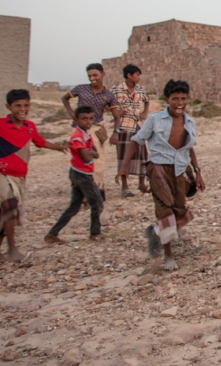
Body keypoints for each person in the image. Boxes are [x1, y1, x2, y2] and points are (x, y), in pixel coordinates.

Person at [119, 79, 205, 271]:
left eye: (183, 98)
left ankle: (156, 232)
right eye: (175, 98)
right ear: (167, 99)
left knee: (182, 212)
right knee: (165, 212)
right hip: (158, 169)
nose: (179, 103)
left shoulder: (190, 122)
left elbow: (190, 149)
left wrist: (198, 172)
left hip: (180, 170)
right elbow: (136, 141)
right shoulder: (155, 119)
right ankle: (168, 255)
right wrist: (124, 168)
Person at [0, 90, 66, 261]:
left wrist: (59, 147)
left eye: (26, 105)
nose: (22, 109)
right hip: (0, 174)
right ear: (8, 107)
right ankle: (12, 250)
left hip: (19, 177)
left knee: (5, 213)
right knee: (10, 207)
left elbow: (41, 142)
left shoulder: (30, 127)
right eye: (18, 105)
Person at [44, 107, 105, 243]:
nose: (88, 122)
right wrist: (92, 153)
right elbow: (87, 156)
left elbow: (94, 152)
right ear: (76, 120)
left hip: (80, 172)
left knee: (74, 206)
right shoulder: (77, 137)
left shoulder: (86, 134)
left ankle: (52, 234)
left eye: (90, 119)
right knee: (97, 203)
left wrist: (92, 153)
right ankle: (95, 233)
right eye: (84, 119)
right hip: (82, 174)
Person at [62, 63, 121, 198]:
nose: (92, 78)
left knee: (98, 160)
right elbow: (64, 98)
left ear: (103, 74)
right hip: (80, 130)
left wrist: (115, 133)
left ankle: (98, 189)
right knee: (81, 159)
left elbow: (116, 117)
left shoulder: (108, 95)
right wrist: (72, 114)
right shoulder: (81, 89)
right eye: (90, 76)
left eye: (95, 75)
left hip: (96, 129)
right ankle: (84, 192)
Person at [110, 64, 149, 197]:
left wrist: (145, 111)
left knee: (142, 155)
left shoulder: (140, 90)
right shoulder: (116, 89)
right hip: (124, 126)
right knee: (123, 155)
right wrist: (116, 111)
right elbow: (106, 103)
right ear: (129, 75)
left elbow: (146, 101)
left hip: (138, 125)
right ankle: (125, 187)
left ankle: (142, 183)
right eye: (137, 75)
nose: (138, 78)